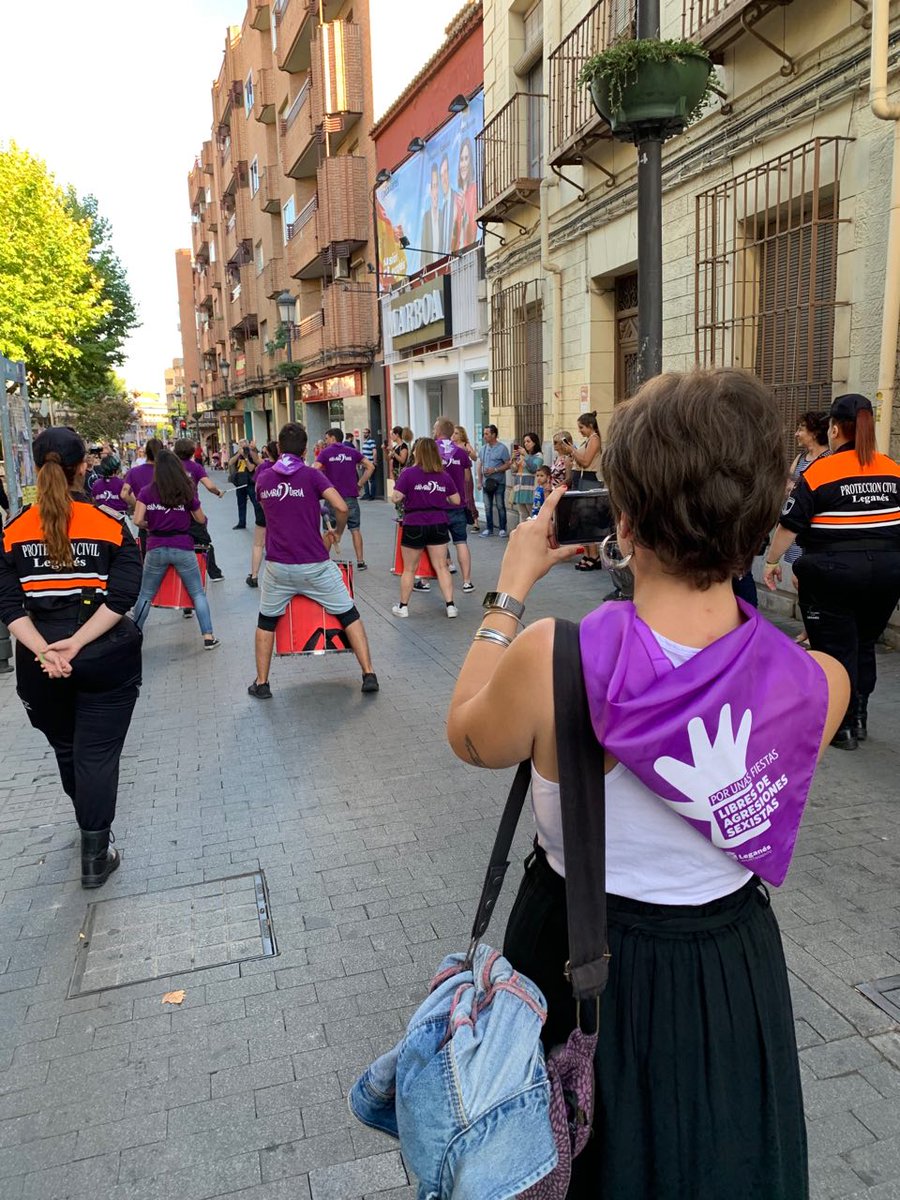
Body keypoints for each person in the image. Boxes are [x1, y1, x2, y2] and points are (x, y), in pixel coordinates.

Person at [446, 368, 848, 1200]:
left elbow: (466, 732)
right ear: (759, 520)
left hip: (576, 963)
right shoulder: (819, 684)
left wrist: (508, 590)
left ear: (623, 520)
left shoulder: (556, 660)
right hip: (730, 974)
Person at [0, 427, 144, 888]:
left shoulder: (13, 530)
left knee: (68, 748)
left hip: (40, 663)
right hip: (104, 656)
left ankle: (88, 826)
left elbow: (6, 606)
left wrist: (45, 649)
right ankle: (94, 855)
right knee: (97, 753)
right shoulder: (108, 522)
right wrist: (78, 643)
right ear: (83, 466)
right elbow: (122, 597)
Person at [764, 392, 900, 750]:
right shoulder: (892, 469)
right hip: (887, 573)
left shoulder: (821, 471)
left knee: (834, 648)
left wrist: (772, 561)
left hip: (832, 573)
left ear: (836, 429)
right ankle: (859, 715)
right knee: (865, 641)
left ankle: (840, 728)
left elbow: (789, 525)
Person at [249, 422, 379, 698]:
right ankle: (368, 674)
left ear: (279, 448)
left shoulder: (264, 479)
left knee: (266, 621)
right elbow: (342, 506)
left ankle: (262, 683)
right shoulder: (311, 476)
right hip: (315, 564)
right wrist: (336, 534)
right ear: (306, 450)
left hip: (278, 567)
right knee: (349, 613)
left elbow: (269, 511)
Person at [132, 449, 220, 649]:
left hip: (155, 547)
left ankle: (135, 633)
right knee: (197, 592)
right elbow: (200, 518)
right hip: (182, 546)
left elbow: (137, 520)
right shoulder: (186, 491)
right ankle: (208, 636)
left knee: (146, 594)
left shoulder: (146, 491)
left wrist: (151, 525)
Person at [391, 437, 460, 619]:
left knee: (409, 569)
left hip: (414, 523)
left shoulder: (408, 473)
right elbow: (456, 500)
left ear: (418, 453)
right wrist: (439, 497)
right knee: (441, 567)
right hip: (438, 522)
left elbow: (396, 497)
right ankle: (450, 606)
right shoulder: (443, 475)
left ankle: (403, 607)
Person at [315, 428, 375, 570]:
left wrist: (323, 485)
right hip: (350, 496)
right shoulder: (352, 452)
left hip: (332, 497)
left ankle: (323, 561)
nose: (326, 441)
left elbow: (315, 469)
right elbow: (370, 466)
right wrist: (360, 484)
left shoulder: (326, 453)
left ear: (333, 438)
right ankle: (360, 561)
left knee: (327, 530)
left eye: (327, 438)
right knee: (355, 528)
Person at [174, 438, 225, 584]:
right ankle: (214, 573)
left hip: (172, 511)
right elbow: (209, 486)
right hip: (192, 510)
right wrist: (218, 492)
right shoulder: (195, 467)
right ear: (191, 452)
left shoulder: (171, 467)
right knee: (204, 543)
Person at [433, 417, 474, 592]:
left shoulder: (432, 450)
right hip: (458, 504)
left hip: (438, 505)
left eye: (435, 427)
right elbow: (466, 478)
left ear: (439, 430)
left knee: (439, 544)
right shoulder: (460, 452)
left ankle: (442, 575)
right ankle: (467, 581)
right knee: (461, 542)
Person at [561, 412, 604, 570]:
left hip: (589, 479)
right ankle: (587, 553)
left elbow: (585, 461)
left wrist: (572, 449)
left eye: (581, 427)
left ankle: (594, 556)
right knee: (579, 519)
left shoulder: (595, 439)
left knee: (587, 518)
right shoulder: (588, 440)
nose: (579, 431)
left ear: (590, 426)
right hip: (581, 479)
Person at [246, 440, 279, 588]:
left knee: (258, 543)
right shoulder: (285, 468)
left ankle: (254, 575)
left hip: (264, 506)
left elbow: (256, 489)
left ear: (267, 452)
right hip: (281, 508)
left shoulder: (263, 468)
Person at [477, 425, 511, 538]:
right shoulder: (483, 448)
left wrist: (495, 470)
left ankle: (502, 529)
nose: (484, 436)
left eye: (487, 434)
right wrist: (479, 481)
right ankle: (489, 529)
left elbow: (508, 464)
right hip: (487, 483)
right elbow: (479, 465)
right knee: (487, 506)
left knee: (500, 505)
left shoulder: (502, 448)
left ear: (494, 435)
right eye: (484, 433)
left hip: (499, 482)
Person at [227, 439, 263, 529]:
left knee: (256, 503)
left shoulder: (252, 454)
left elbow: (251, 468)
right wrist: (239, 454)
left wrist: (246, 457)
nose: (241, 446)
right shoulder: (238, 454)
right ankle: (241, 522)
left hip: (250, 482)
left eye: (243, 444)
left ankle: (259, 522)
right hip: (240, 482)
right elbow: (230, 462)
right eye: (240, 445)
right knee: (241, 503)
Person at [510, 433, 544, 527]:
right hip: (520, 490)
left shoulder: (539, 456)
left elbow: (534, 468)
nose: (526, 444)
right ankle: (523, 538)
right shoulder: (522, 456)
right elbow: (513, 470)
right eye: (524, 441)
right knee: (523, 516)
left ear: (535, 443)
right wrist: (513, 460)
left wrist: (526, 455)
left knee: (532, 516)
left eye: (528, 441)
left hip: (531, 490)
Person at [451, 138, 477, 253]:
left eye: (466, 159)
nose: (463, 164)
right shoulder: (457, 197)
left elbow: (473, 235)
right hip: (457, 257)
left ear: (470, 162)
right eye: (461, 159)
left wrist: (464, 212)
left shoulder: (475, 191)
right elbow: (453, 240)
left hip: (472, 253)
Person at [453, 425, 479, 529]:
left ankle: (475, 520)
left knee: (468, 498)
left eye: (456, 433)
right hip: (454, 475)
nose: (454, 435)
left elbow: (475, 457)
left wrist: (467, 451)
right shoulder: (450, 445)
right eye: (453, 433)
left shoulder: (465, 444)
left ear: (461, 435)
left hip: (465, 473)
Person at [360, 428, 378, 500]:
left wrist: (374, 462)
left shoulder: (371, 441)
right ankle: (366, 494)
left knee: (372, 480)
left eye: (366, 433)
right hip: (365, 463)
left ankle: (372, 495)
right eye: (364, 433)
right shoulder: (365, 442)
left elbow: (375, 452)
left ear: (369, 433)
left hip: (370, 463)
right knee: (365, 479)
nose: (365, 434)